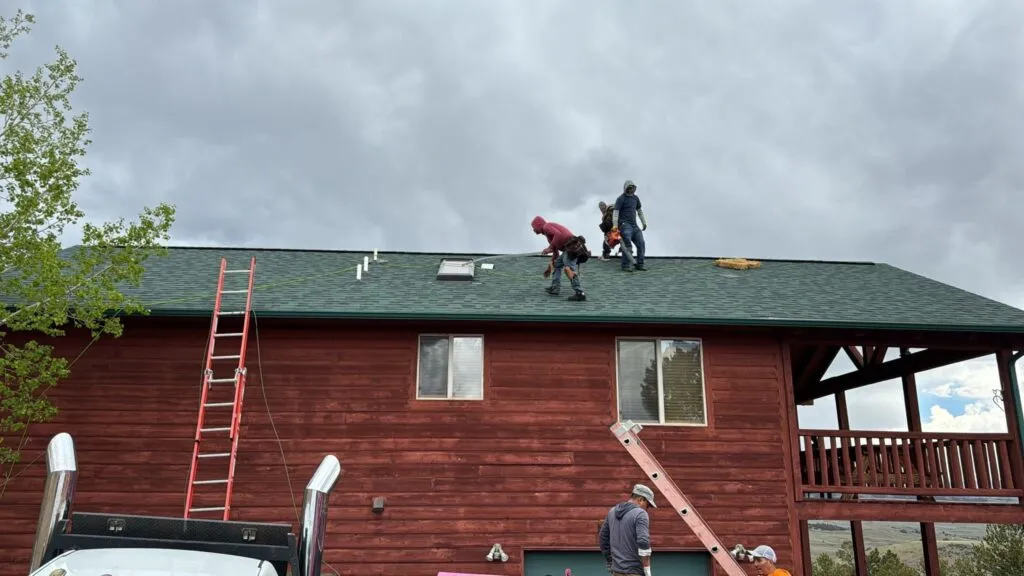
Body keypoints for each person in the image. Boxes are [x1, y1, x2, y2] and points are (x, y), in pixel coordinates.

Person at [598, 484, 656, 576]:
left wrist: (610, 561)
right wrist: (647, 570)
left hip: (617, 571)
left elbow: (603, 538)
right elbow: (643, 541)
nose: (647, 509)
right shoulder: (641, 514)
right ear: (641, 500)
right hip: (635, 571)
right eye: (647, 505)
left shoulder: (612, 511)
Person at [531, 215, 587, 302]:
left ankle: (580, 293)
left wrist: (549, 248)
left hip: (572, 247)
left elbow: (558, 234)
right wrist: (550, 267)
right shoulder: (548, 235)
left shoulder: (546, 226)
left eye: (534, 227)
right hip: (568, 249)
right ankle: (555, 288)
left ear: (538, 225)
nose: (534, 230)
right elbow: (555, 252)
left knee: (569, 270)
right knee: (556, 264)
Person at [612, 180, 648, 272]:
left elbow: (639, 211)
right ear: (626, 188)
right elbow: (616, 213)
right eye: (629, 188)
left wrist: (643, 222)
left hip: (635, 225)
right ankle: (625, 265)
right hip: (625, 225)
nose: (631, 190)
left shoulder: (635, 198)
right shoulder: (620, 199)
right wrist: (615, 225)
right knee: (627, 245)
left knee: (641, 243)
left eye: (632, 188)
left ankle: (640, 264)